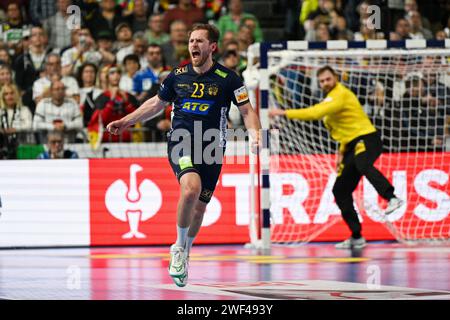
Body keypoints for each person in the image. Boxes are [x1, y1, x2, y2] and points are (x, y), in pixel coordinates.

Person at [106, 23, 261, 286]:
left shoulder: (230, 78)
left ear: (212, 46)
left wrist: (257, 135)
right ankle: (178, 248)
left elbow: (246, 110)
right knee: (190, 188)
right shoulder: (177, 76)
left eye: (199, 41)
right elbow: (156, 103)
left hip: (213, 146)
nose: (193, 45)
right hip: (182, 140)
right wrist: (126, 120)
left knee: (200, 207)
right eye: (191, 41)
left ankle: (185, 251)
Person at [269, 65, 404, 250]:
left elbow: (315, 113)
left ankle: (392, 197)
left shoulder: (340, 94)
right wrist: (341, 153)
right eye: (322, 81)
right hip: (350, 146)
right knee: (340, 190)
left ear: (336, 78)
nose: (325, 83)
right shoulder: (330, 99)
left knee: (363, 164)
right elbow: (343, 129)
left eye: (328, 79)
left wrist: (283, 113)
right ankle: (356, 236)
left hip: (366, 138)